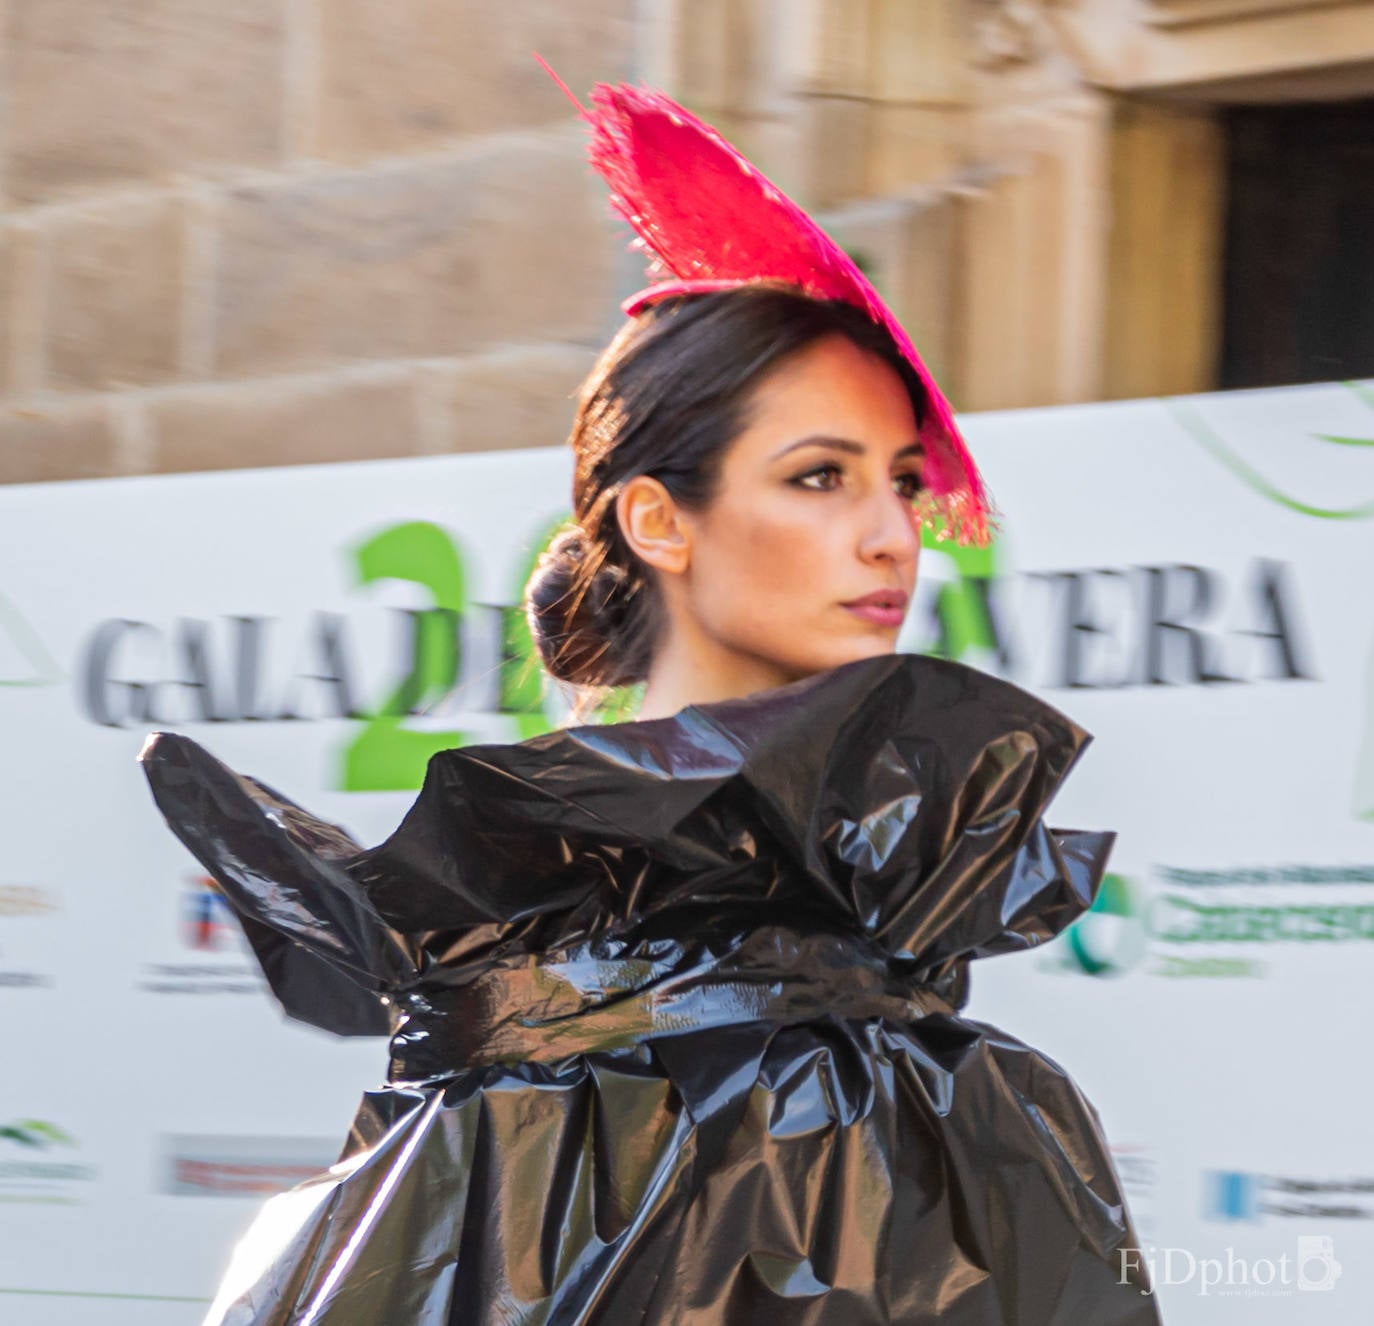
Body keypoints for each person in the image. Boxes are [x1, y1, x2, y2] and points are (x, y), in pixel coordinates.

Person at [141, 78, 1161, 1326]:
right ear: (658, 519)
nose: (894, 534)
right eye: (820, 476)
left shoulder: (965, 1066)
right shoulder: (516, 1006)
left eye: (902, 480)